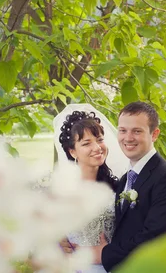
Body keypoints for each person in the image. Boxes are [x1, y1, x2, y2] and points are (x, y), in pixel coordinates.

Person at [90, 101, 166, 272]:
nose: (128, 138)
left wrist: (104, 254)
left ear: (154, 134)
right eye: (123, 130)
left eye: (137, 131)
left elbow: (154, 237)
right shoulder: (124, 180)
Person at [49, 106, 125, 273]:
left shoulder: (118, 186)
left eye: (99, 139)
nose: (97, 147)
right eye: (86, 143)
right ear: (72, 152)